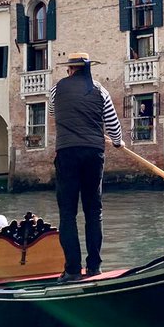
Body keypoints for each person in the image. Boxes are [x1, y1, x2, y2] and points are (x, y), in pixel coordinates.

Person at [48, 51, 123, 282]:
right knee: (93, 211)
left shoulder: (56, 90)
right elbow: (112, 124)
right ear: (88, 68)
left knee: (68, 213)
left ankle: (71, 270)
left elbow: (53, 112)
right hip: (93, 153)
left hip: (67, 153)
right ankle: (94, 268)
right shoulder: (100, 90)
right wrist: (118, 142)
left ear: (71, 69)